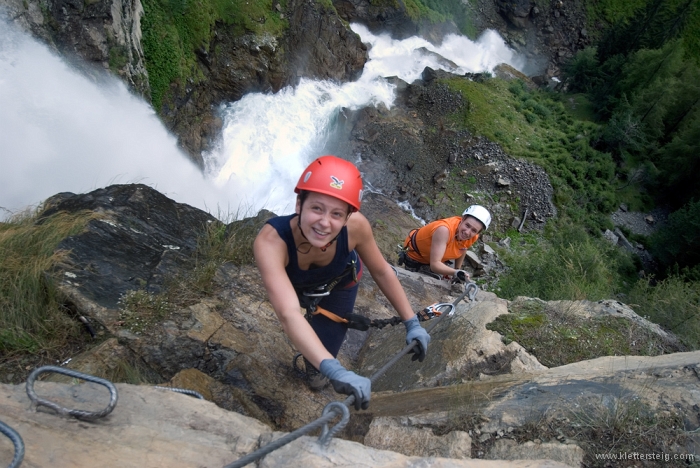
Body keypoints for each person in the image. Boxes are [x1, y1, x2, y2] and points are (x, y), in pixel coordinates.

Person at [253, 155, 430, 410]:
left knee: (317, 377)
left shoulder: (356, 228)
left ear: (348, 217)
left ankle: (317, 362)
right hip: (299, 290)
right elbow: (289, 313)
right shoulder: (272, 242)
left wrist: (411, 322)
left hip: (340, 285)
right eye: (317, 208)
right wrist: (336, 369)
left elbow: (381, 271)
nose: (325, 222)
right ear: (299, 203)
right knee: (325, 364)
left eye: (337, 214)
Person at [398, 205, 491, 282]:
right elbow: (434, 265)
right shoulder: (444, 230)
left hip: (435, 258)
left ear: (478, 232)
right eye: (467, 225)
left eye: (474, 230)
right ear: (462, 219)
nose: (467, 232)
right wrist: (455, 272)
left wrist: (457, 269)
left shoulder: (473, 236)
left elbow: (463, 248)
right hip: (416, 257)